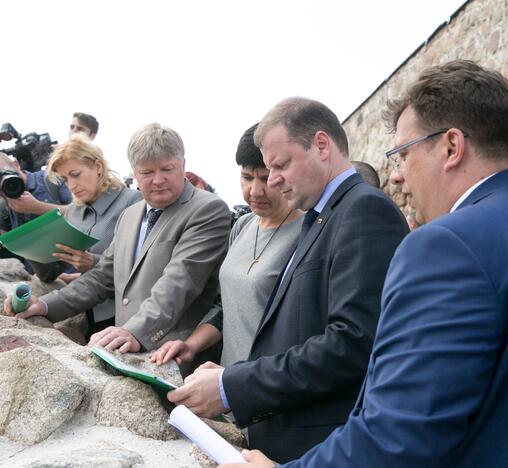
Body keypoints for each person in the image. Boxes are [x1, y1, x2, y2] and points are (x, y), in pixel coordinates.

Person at [222, 60, 508, 468]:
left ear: (452, 147)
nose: (396, 177)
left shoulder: (446, 246)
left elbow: (397, 436)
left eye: (402, 154)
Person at [169, 98, 409, 462]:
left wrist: (233, 385)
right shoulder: (321, 216)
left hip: (317, 445)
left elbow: (352, 344)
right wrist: (235, 375)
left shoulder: (363, 209)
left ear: (322, 145)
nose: (273, 180)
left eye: (280, 165)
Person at [4, 123, 231, 371]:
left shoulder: (208, 209)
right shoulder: (130, 215)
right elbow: (102, 277)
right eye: (147, 173)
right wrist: (46, 305)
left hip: (177, 359)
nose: (158, 180)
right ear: (134, 172)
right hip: (125, 353)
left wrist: (134, 331)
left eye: (167, 169)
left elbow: (180, 282)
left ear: (183, 165)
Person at [149, 123, 302, 368]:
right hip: (226, 382)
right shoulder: (242, 227)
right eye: (247, 177)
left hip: (272, 384)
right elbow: (225, 307)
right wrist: (190, 345)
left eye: (265, 178)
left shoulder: (307, 233)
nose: (255, 191)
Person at [45, 134, 143, 337]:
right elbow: (51, 272)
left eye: (75, 174)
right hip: (86, 310)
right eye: (65, 179)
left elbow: (142, 266)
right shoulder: (72, 211)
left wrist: (93, 262)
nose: (71, 186)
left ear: (98, 167)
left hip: (126, 315)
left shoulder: (133, 202)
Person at [0, 151, 73, 281]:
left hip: (78, 271)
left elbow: (85, 212)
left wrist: (37, 207)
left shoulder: (52, 179)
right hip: (43, 279)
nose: (0, 179)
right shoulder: (3, 203)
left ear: (16, 165)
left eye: (2, 172)